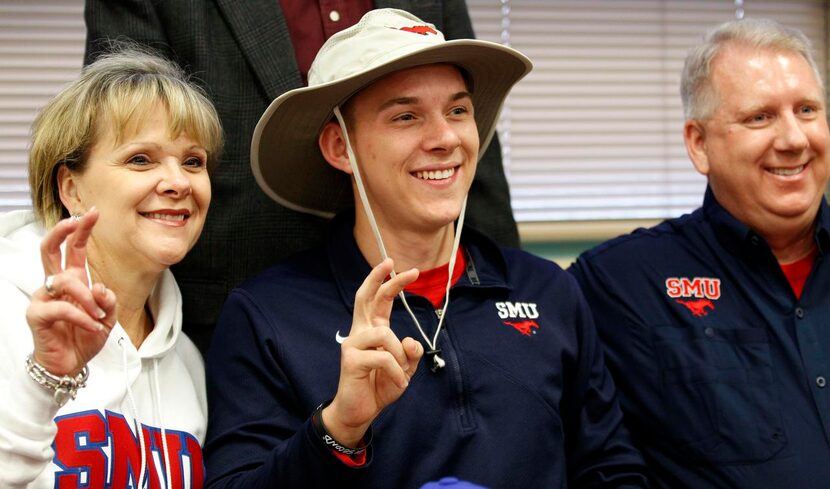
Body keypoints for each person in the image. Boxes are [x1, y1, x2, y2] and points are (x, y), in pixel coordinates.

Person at [204, 9, 649, 489]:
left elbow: (612, 471)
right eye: (406, 116)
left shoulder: (549, 292)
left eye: (458, 111)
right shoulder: (267, 316)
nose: (445, 139)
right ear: (339, 147)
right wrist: (339, 429)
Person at [83, 0, 521, 355]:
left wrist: (506, 297)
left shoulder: (540, 296)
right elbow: (121, 129)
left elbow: (468, 142)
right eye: (406, 116)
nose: (443, 134)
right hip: (221, 313)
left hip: (425, 302)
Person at [569, 18, 830, 489]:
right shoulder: (621, 284)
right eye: (760, 117)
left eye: (807, 110)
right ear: (699, 144)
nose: (795, 139)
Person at [0, 46, 223, 488]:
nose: (178, 182)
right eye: (141, 159)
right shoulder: (7, 310)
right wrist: (46, 379)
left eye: (193, 162)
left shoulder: (188, 361)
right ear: (72, 189)